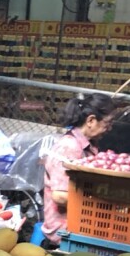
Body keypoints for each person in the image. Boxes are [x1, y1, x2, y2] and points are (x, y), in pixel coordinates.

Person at [40, 93, 115, 247]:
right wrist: (105, 202)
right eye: (108, 123)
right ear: (91, 121)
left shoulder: (89, 146)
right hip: (65, 230)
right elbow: (60, 196)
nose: (110, 129)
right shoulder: (70, 147)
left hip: (81, 222)